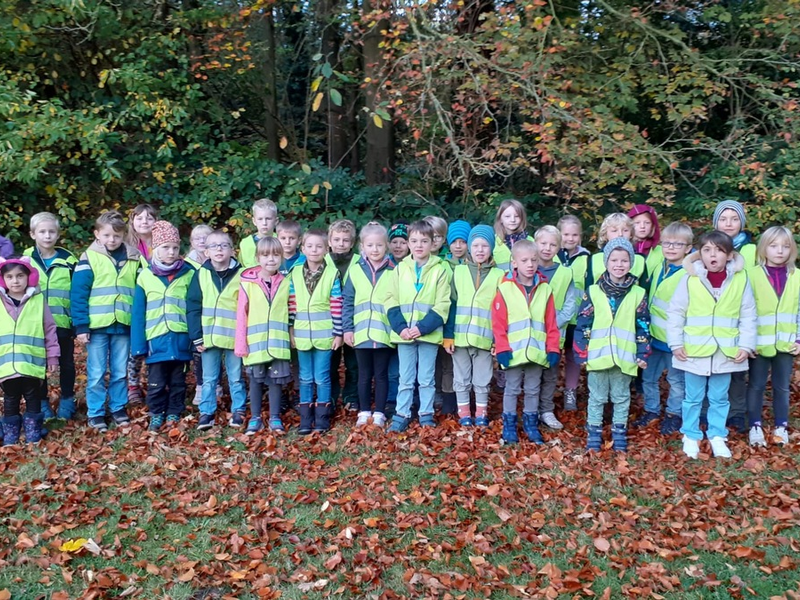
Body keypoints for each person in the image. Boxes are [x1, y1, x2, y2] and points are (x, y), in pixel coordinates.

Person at [667, 231, 756, 459]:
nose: (712, 255)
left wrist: (745, 346)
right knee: (692, 397)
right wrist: (676, 343)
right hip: (693, 351)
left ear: (729, 255)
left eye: (718, 250)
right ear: (700, 254)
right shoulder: (690, 278)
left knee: (719, 397)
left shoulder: (740, 279)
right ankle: (691, 434)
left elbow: (748, 315)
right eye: (707, 250)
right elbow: (676, 312)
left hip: (726, 351)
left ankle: (717, 435)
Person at [574, 238, 650, 452]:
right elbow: (583, 323)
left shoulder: (638, 294)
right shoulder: (593, 291)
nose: (619, 264)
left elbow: (643, 325)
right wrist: (582, 351)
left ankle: (619, 432)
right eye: (614, 260)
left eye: (624, 260)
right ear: (606, 262)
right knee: (597, 397)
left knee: (621, 396)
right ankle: (594, 433)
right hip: (598, 357)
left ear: (631, 263)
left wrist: (643, 353)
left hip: (625, 356)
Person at [71, 210, 141, 432]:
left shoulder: (134, 258)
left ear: (124, 236)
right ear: (97, 235)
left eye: (117, 236)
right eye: (107, 235)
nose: (112, 240)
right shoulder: (89, 258)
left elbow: (141, 292)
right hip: (97, 325)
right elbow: (79, 294)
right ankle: (96, 412)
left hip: (124, 324)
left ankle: (118, 407)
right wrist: (81, 326)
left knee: (121, 370)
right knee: (97, 371)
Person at [493, 240, 561, 444]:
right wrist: (502, 348)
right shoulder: (505, 289)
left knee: (533, 389)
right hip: (514, 352)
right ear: (514, 263)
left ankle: (531, 424)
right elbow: (498, 323)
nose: (530, 264)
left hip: (537, 352)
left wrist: (553, 348)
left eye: (533, 260)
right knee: (512, 389)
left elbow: (551, 323)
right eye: (524, 260)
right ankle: (509, 425)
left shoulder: (545, 289)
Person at [386, 220, 451, 432]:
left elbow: (443, 304)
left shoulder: (441, 270)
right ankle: (402, 413)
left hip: (428, 335)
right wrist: (401, 328)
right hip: (404, 334)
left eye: (424, 241)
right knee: (405, 377)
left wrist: (422, 327)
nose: (419, 245)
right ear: (408, 243)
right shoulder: (399, 269)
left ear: (433, 243)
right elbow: (390, 299)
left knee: (426, 378)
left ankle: (426, 413)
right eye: (414, 241)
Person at [131, 221, 196, 431]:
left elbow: (194, 308)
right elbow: (138, 314)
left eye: (175, 248)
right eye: (166, 248)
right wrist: (138, 346)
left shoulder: (189, 273)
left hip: (180, 339)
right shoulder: (145, 276)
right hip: (155, 339)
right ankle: (156, 413)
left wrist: (195, 338)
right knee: (156, 382)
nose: (171, 252)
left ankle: (174, 412)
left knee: (178, 381)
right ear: (155, 250)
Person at [633, 222, 692, 435]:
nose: (671, 247)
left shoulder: (689, 274)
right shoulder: (659, 266)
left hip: (675, 340)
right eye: (667, 243)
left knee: (676, 380)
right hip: (653, 338)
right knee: (649, 377)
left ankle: (674, 414)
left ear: (688, 248)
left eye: (678, 244)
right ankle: (651, 410)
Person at [187, 230, 247, 430]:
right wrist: (196, 336)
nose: (219, 249)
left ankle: (238, 410)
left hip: (234, 336)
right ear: (206, 251)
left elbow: (249, 307)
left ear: (232, 250)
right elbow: (193, 306)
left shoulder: (243, 274)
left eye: (224, 245)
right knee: (209, 377)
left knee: (236, 376)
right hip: (209, 338)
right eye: (214, 246)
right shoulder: (201, 274)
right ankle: (206, 412)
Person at [444, 225, 503, 427]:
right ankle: (464, 414)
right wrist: (448, 335)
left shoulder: (498, 275)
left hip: (485, 339)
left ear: (491, 248)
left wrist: (498, 339)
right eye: (475, 245)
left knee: (482, 378)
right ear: (469, 247)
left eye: (484, 246)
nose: (480, 250)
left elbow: (501, 311)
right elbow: (450, 305)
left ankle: (481, 413)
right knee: (460, 377)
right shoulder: (458, 272)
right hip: (460, 338)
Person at [745, 226, 800, 447]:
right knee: (756, 385)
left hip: (786, 344)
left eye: (785, 246)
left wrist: (798, 340)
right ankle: (755, 425)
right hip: (759, 344)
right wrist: (748, 342)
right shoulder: (752, 275)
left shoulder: (797, 277)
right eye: (774, 246)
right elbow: (745, 310)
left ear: (792, 250)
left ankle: (781, 426)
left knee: (782, 387)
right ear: (763, 248)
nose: (780, 251)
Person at [235, 236, 292, 434]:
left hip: (278, 343)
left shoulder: (286, 282)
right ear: (258, 257)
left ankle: (275, 417)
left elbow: (292, 311)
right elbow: (242, 314)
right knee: (256, 381)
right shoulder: (247, 283)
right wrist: (241, 343)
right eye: (266, 255)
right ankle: (256, 417)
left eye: (276, 255)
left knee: (276, 381)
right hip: (255, 343)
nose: (271, 259)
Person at [289, 229, 343, 434]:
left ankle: (322, 419)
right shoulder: (294, 273)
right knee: (304, 377)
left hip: (325, 335)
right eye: (309, 246)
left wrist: (338, 333)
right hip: (302, 334)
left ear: (326, 249)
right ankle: (305, 419)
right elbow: (291, 305)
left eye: (319, 246)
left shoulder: (332, 273)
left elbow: (337, 305)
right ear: (302, 248)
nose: (314, 250)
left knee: (322, 377)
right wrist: (291, 330)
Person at [24, 212, 78, 420]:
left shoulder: (68, 260)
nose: (47, 236)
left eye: (52, 232)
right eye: (42, 232)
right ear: (33, 234)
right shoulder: (25, 260)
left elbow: (77, 292)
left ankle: (67, 399)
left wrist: (76, 321)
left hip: (62, 322)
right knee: (38, 364)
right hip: (34, 325)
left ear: (58, 234)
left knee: (66, 363)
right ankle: (42, 402)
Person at [0, 258, 59, 445]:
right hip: (7, 365)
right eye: (9, 277)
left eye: (20, 276)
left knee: (33, 397)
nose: (15, 281)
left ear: (28, 277)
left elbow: (49, 329)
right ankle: (11, 434)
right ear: (3, 280)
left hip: (32, 363)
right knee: (10, 398)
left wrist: (52, 356)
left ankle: (33, 433)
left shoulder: (38, 300)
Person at [342, 222, 395, 427]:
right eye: (370, 245)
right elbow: (347, 301)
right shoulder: (355, 271)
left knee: (381, 375)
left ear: (386, 246)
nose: (375, 250)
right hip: (361, 333)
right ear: (362, 247)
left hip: (384, 333)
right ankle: (364, 411)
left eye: (379, 245)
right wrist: (348, 329)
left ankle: (380, 413)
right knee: (363, 375)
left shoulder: (394, 271)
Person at [712, 199, 756, 433]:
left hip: (740, 317)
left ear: (742, 222)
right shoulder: (707, 247)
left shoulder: (752, 250)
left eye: (734, 218)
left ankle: (737, 414)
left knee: (737, 369)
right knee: (711, 368)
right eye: (723, 218)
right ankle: (708, 411)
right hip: (711, 321)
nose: (728, 223)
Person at [534, 225, 580, 429]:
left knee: (550, 374)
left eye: (552, 244)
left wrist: (553, 324)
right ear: (535, 244)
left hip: (554, 335)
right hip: (529, 334)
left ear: (559, 247)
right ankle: (530, 410)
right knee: (531, 374)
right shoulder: (527, 268)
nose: (547, 248)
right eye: (543, 243)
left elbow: (571, 304)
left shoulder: (565, 273)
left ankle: (546, 410)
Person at [125, 203, 159, 405]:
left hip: (157, 303)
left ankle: (157, 382)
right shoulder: (126, 246)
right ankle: (133, 385)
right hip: (133, 302)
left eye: (149, 217)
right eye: (139, 218)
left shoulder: (164, 244)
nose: (144, 221)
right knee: (134, 347)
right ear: (132, 222)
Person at [557, 215, 590, 411]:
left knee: (572, 356)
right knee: (552, 354)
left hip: (577, 318)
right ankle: (548, 390)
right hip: (556, 317)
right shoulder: (551, 254)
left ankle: (570, 391)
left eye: (574, 234)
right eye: (566, 234)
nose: (570, 238)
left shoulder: (587, 259)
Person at [327, 219, 360, 411]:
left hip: (353, 320)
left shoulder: (358, 262)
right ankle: (330, 397)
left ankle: (351, 396)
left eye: (345, 240)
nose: (341, 243)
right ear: (329, 241)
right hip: (328, 322)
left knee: (353, 363)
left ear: (352, 242)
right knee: (329, 363)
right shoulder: (322, 261)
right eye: (337, 239)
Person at [586, 213, 646, 286]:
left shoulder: (640, 260)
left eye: (625, 230)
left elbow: (645, 291)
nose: (620, 234)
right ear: (605, 235)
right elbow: (588, 289)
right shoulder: (595, 259)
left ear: (631, 234)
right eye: (614, 231)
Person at [492, 199, 531, 274]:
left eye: (517, 216)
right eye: (507, 216)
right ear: (500, 219)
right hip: (500, 284)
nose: (512, 220)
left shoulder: (530, 241)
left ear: (522, 218)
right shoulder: (493, 242)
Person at [239, 198, 278, 269]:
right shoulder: (245, 243)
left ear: (276, 221)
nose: (264, 223)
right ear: (254, 221)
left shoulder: (281, 241)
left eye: (268, 219)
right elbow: (241, 267)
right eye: (260, 219)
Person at [628, 204, 663, 277]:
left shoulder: (661, 251)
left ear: (653, 226)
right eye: (637, 223)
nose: (642, 226)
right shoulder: (623, 248)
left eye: (647, 223)